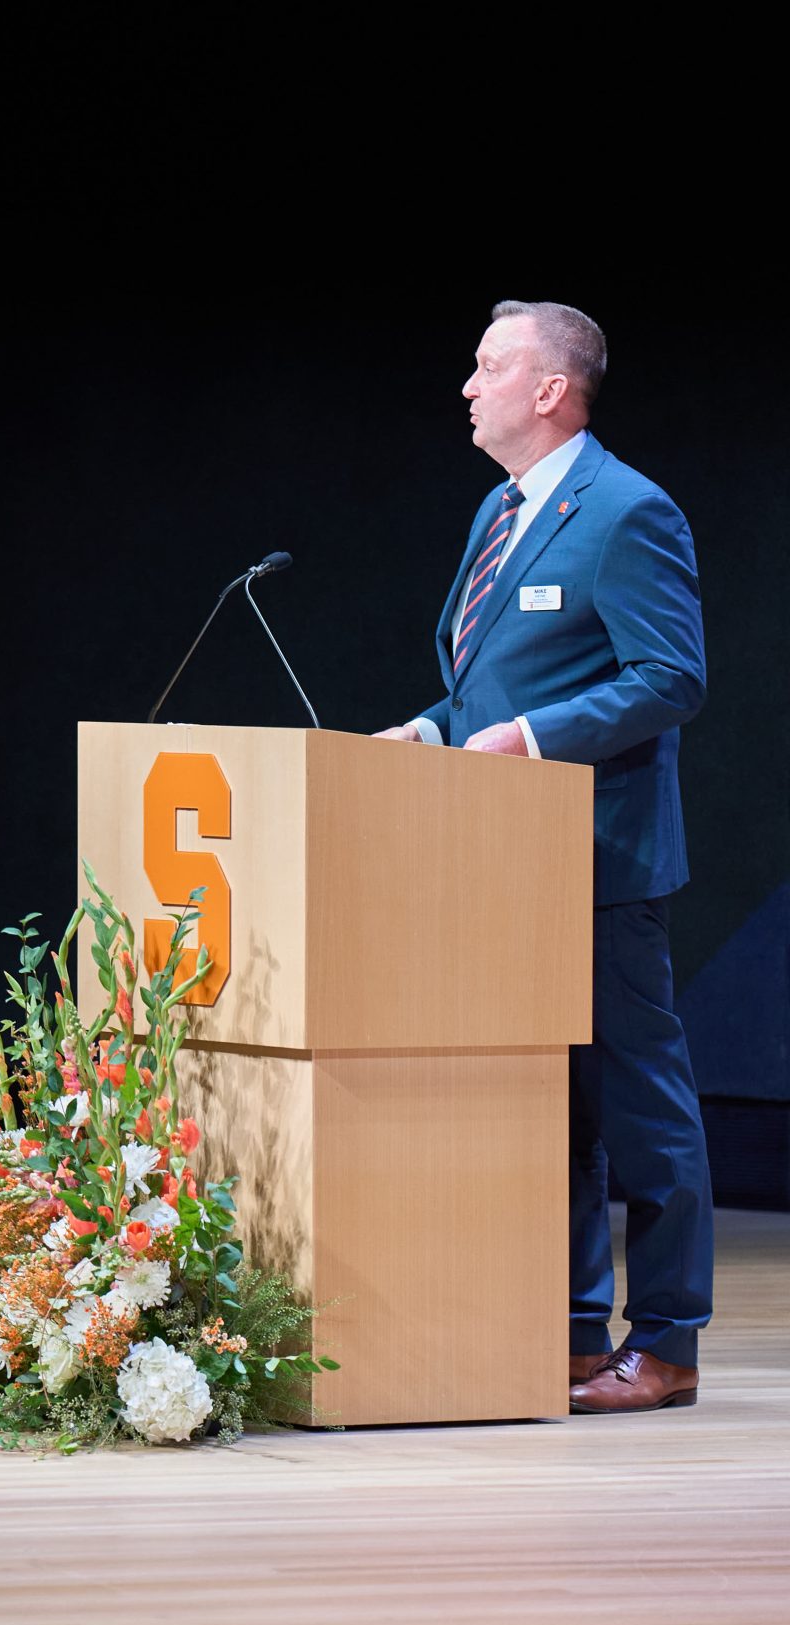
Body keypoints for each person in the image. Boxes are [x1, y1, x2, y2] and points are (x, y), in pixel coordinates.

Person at [372, 299, 711, 1414]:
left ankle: (663, 1346)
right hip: (506, 868)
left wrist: (533, 738)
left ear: (550, 390)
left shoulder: (626, 510)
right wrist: (431, 729)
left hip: (598, 864)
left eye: (487, 368)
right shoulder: (498, 511)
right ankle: (569, 1331)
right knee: (552, 1110)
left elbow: (670, 677)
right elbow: (486, 689)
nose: (467, 387)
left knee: (641, 1112)